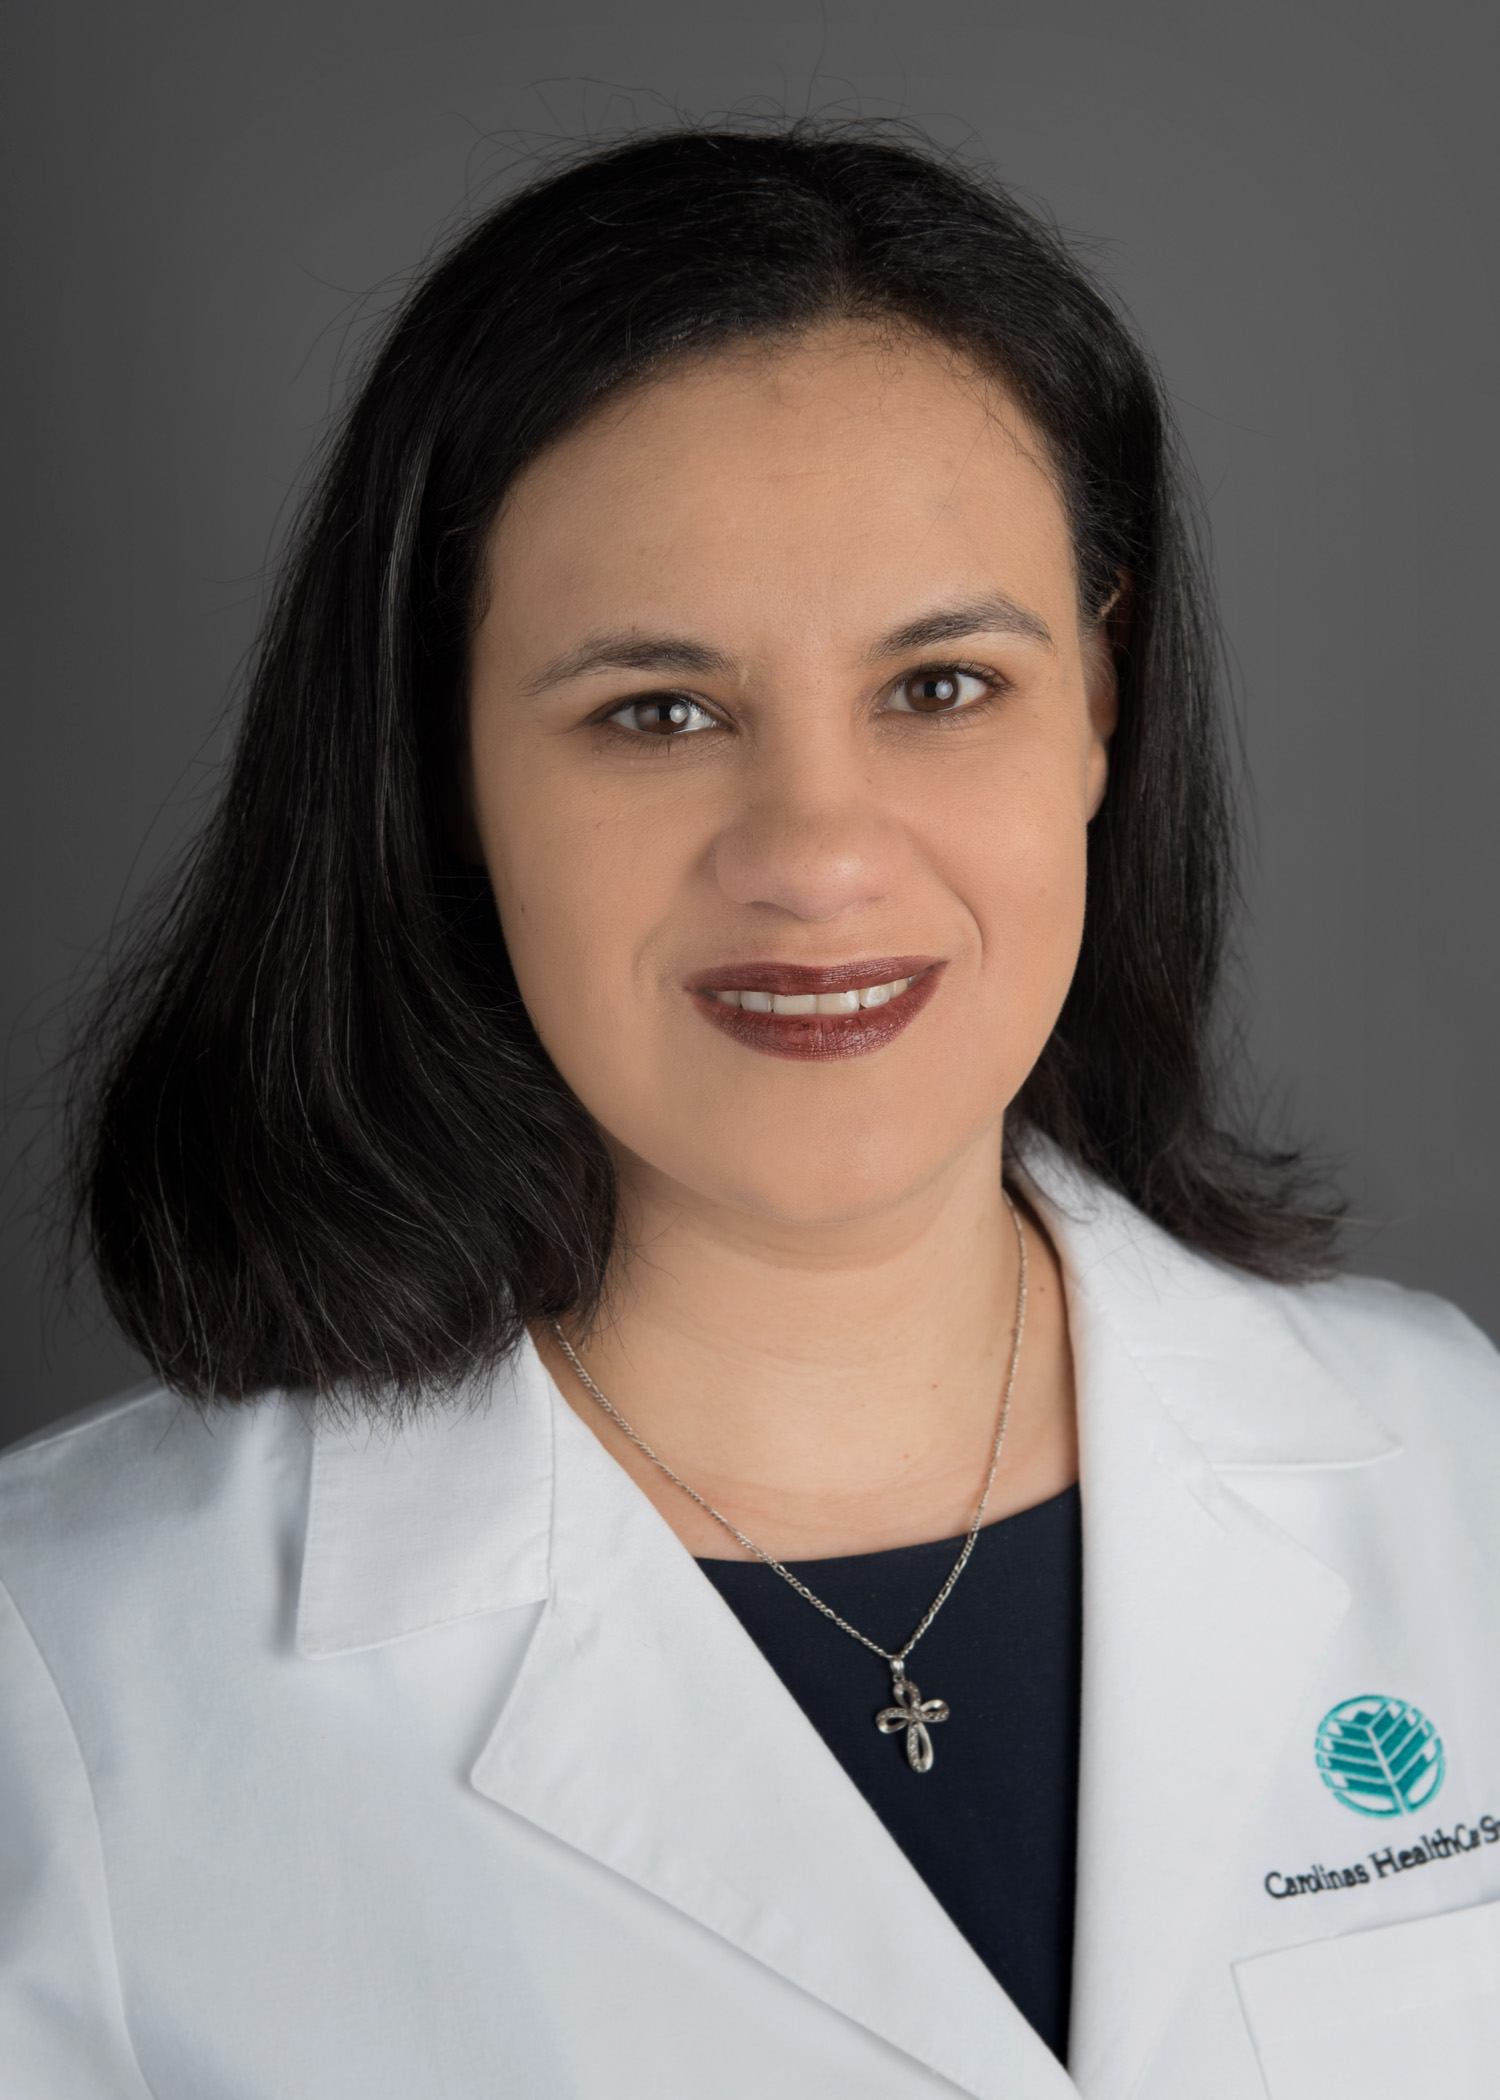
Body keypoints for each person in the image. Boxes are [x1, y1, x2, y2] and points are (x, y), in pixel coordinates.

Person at [2, 124, 1497, 2100]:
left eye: (941, 686)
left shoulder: (1457, 1470)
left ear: (1101, 701)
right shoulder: (66, 1678)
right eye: (659, 712)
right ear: (440, 771)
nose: (817, 856)